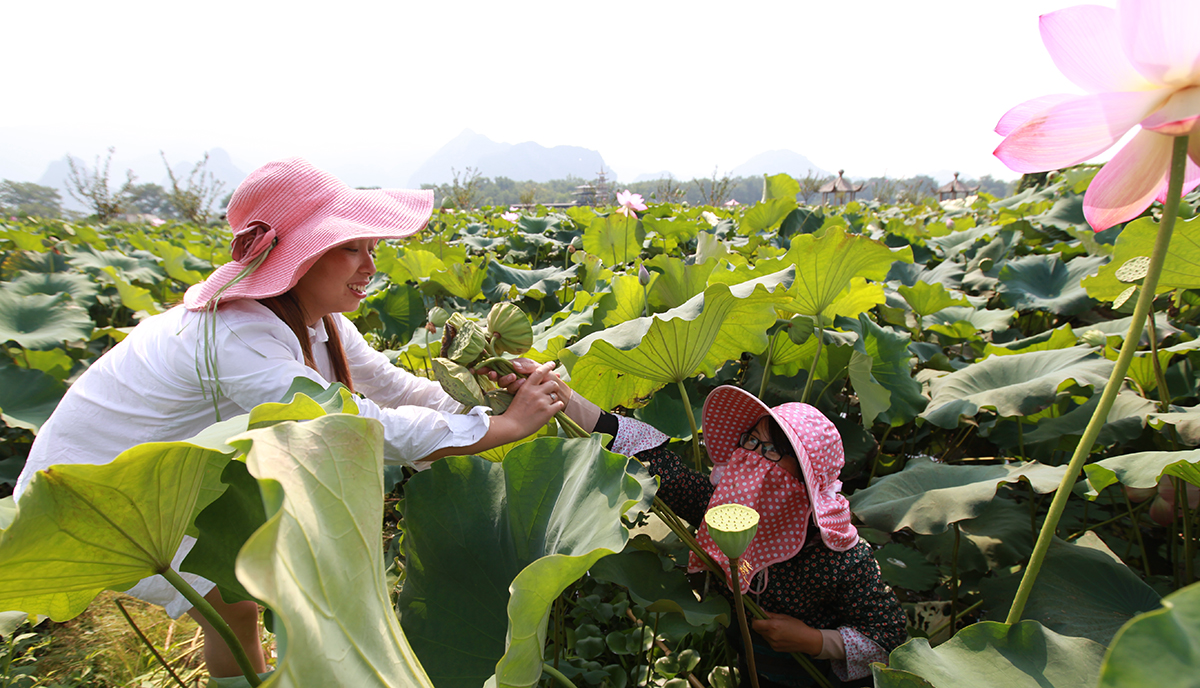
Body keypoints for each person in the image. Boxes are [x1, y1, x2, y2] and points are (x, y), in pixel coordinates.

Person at [13, 157, 569, 678]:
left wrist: (483, 398)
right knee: (232, 605)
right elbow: (363, 424)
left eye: (371, 247)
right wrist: (504, 428)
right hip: (95, 489)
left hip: (168, 474)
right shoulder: (241, 334)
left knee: (238, 604)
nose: (370, 267)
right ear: (298, 259)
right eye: (351, 249)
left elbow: (392, 388)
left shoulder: (316, 316)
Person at [489, 377, 907, 687]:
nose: (749, 459)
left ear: (807, 477)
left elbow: (888, 638)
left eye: (768, 451)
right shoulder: (720, 511)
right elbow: (653, 461)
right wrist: (563, 397)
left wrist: (815, 640)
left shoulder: (840, 557)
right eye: (748, 442)